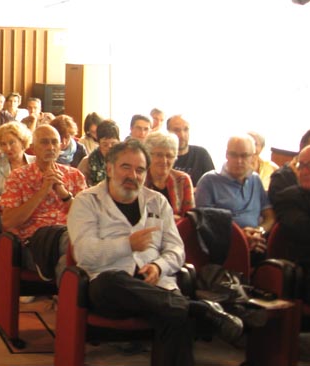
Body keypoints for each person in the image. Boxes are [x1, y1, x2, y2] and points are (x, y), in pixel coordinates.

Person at [67, 139, 243, 365]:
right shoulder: (87, 201)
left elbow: (176, 250)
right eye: (125, 167)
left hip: (155, 285)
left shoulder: (157, 202)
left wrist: (158, 266)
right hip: (110, 289)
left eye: (140, 170)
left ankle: (188, 309)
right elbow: (84, 253)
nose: (133, 175)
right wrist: (127, 244)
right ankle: (197, 309)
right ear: (109, 169)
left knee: (175, 314)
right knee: (110, 282)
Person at [0, 125, 86, 282]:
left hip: (71, 238)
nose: (51, 147)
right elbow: (8, 221)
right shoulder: (18, 177)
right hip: (35, 245)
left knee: (67, 262)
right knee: (75, 244)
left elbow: (86, 217)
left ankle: (67, 295)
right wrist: (43, 191)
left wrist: (64, 194)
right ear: (33, 148)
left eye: (54, 142)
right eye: (45, 142)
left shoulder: (75, 175)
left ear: (61, 146)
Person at [195, 135, 274, 257]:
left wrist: (259, 231)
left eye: (244, 155)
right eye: (233, 155)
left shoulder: (255, 180)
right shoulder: (208, 181)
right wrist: (241, 236)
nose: (239, 161)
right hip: (223, 247)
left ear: (253, 157)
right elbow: (205, 225)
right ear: (226, 155)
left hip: (255, 243)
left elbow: (270, 216)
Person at [271, 145, 310, 301]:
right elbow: (304, 231)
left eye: (309, 166)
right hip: (304, 268)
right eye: (301, 165)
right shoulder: (288, 198)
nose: (304, 171)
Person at [143, 131, 195, 219]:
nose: (164, 161)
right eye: (159, 155)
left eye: (169, 156)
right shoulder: (140, 179)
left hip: (178, 227)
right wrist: (168, 218)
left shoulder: (182, 180)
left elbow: (190, 217)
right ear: (148, 155)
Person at [0, 122, 35, 207]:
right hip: (5, 209)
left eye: (12, 143)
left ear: (22, 141)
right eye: (3, 144)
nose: (7, 148)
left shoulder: (35, 162)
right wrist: (7, 204)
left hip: (33, 209)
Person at [166, 114, 215, 186]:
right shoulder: (162, 156)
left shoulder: (201, 154)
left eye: (186, 129)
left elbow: (213, 184)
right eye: (176, 130)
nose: (182, 135)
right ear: (168, 132)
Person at [77, 119, 121, 186]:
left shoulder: (125, 160)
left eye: (113, 144)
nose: (109, 148)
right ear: (98, 143)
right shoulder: (87, 163)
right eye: (105, 145)